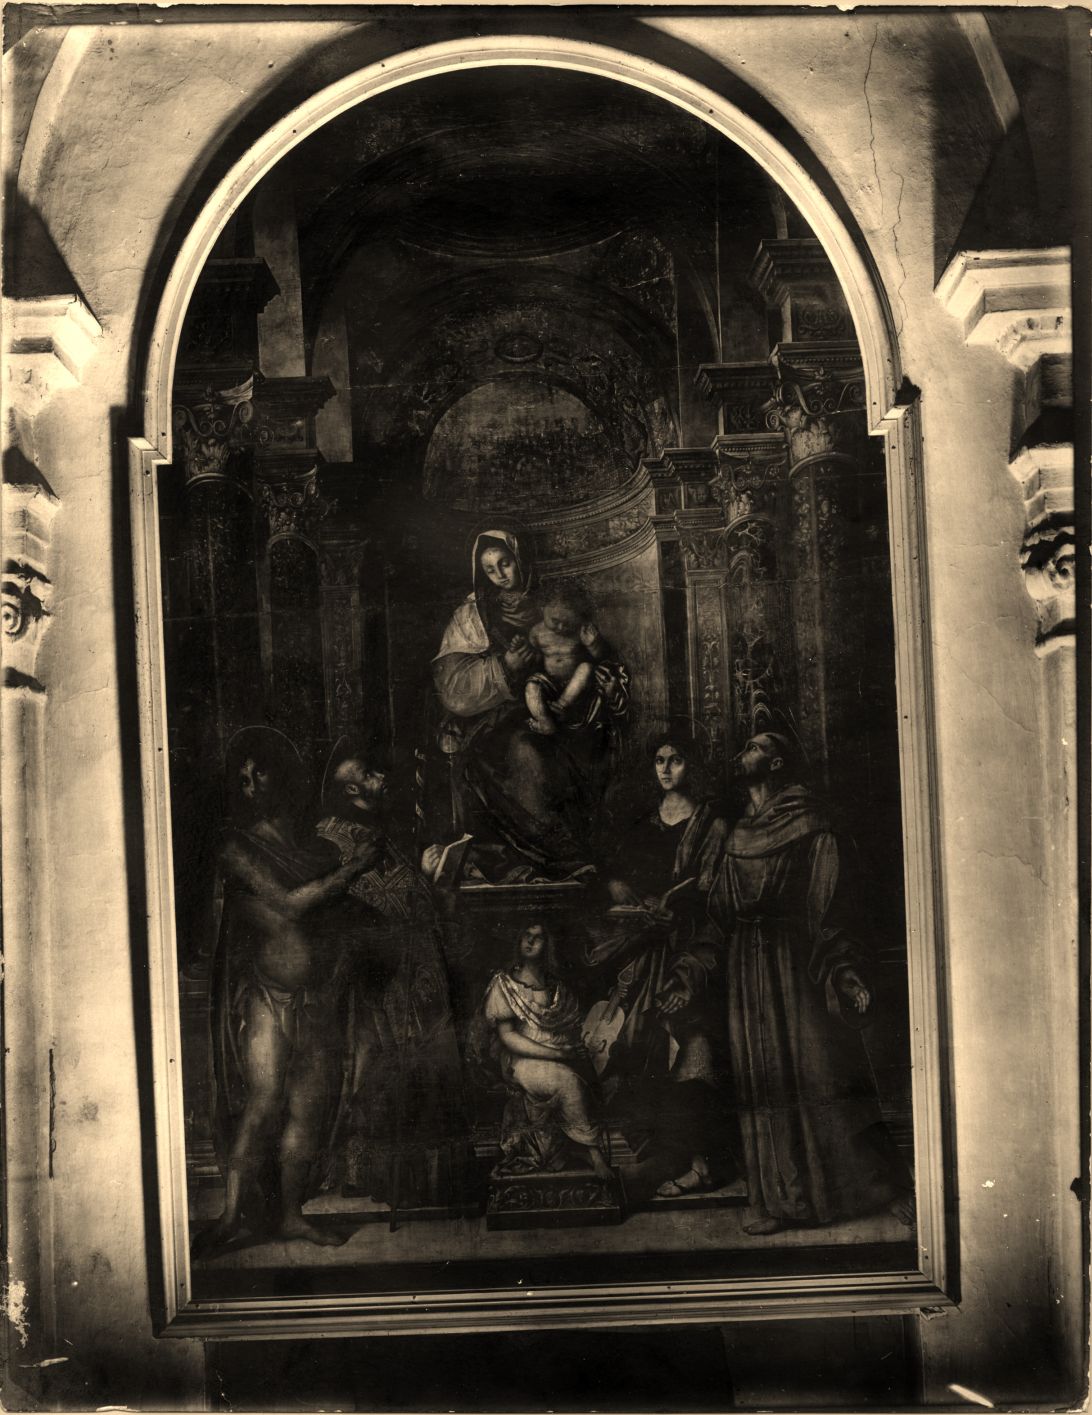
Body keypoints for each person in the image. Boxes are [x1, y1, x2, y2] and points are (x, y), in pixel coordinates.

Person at [707, 731, 914, 1235]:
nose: (743, 753)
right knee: (761, 1076)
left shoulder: (812, 824)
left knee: (819, 1071)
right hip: (745, 968)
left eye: (755, 747)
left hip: (796, 963)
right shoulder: (735, 833)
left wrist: (844, 971)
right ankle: (778, 1198)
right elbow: (718, 909)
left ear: (777, 763)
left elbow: (831, 908)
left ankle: (867, 1189)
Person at [204, 728, 373, 1250]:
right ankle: (231, 1216)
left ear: (284, 773)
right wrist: (354, 870)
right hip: (267, 995)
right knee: (263, 1101)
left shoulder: (318, 848)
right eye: (243, 779)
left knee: (307, 1108)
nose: (252, 785)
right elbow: (289, 904)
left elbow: (336, 921)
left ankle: (292, 1215)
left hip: (317, 997)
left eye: (260, 772)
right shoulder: (237, 847)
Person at [315, 745, 472, 1210]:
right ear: (350, 788)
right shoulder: (329, 838)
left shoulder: (385, 830)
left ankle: (430, 1183)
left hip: (419, 963)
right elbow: (343, 905)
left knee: (431, 1066)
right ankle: (372, 1176)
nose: (381, 776)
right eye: (369, 772)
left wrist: (429, 877)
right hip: (379, 972)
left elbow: (406, 893)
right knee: (380, 1071)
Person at [430, 529, 628, 880]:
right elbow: (453, 686)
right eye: (489, 569)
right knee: (523, 749)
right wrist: (505, 666)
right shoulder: (475, 613)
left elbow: (592, 654)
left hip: (567, 705)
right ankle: (550, 857)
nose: (500, 574)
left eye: (505, 563)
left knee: (569, 748)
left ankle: (570, 854)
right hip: (502, 715)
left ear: (519, 558)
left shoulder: (554, 601)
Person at [586, 729, 732, 1197]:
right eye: (659, 760)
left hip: (692, 952)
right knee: (638, 1051)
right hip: (643, 954)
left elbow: (716, 897)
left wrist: (679, 916)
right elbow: (617, 876)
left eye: (676, 760)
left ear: (693, 765)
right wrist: (616, 886)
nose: (666, 769)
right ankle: (663, 1155)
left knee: (692, 1049)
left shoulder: (711, 825)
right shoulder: (643, 823)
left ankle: (700, 1162)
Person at [474, 922, 612, 1180]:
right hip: (522, 1060)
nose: (530, 942)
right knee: (567, 1081)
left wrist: (572, 1048)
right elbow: (509, 1037)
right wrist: (558, 1054)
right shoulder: (505, 983)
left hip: (559, 1052)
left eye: (537, 938)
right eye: (526, 936)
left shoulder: (555, 986)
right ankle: (594, 1154)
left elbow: (569, 1027)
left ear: (548, 945)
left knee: (595, 1074)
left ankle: (573, 1149)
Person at [524, 583, 608, 737]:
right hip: (549, 682)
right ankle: (545, 721)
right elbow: (533, 657)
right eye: (555, 621)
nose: (561, 627)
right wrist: (521, 649)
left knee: (586, 667)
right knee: (531, 685)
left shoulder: (580, 630)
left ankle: (562, 705)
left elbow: (600, 657)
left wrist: (592, 645)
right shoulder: (536, 632)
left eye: (567, 623)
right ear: (543, 609)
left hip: (575, 686)